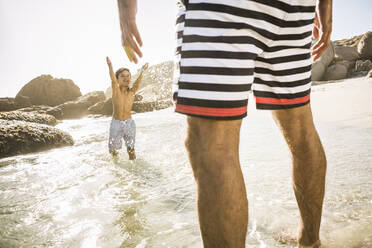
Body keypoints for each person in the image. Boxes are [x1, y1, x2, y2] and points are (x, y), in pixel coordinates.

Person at [117, 0, 332, 247]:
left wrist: (125, 9)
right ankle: (310, 242)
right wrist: (326, 6)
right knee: (301, 128)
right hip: (294, 11)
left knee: (214, 146)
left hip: (221, 7)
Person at [106, 56, 148, 159]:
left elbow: (137, 82)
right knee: (112, 150)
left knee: (131, 149)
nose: (126, 78)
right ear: (118, 79)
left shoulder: (132, 92)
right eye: (122, 76)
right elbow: (112, 79)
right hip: (116, 123)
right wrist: (110, 66)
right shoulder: (116, 91)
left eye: (128, 76)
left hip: (129, 123)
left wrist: (142, 71)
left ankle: (134, 170)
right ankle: (117, 169)